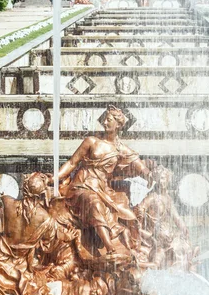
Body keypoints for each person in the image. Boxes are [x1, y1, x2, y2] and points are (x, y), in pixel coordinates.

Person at [48, 106, 152, 256]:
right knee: (94, 202)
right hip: (82, 185)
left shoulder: (120, 149)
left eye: (109, 120)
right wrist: (54, 178)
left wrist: (150, 176)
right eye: (104, 119)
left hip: (101, 188)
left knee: (128, 215)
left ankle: (133, 246)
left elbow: (141, 168)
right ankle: (110, 248)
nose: (104, 122)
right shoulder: (91, 141)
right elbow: (72, 163)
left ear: (118, 124)